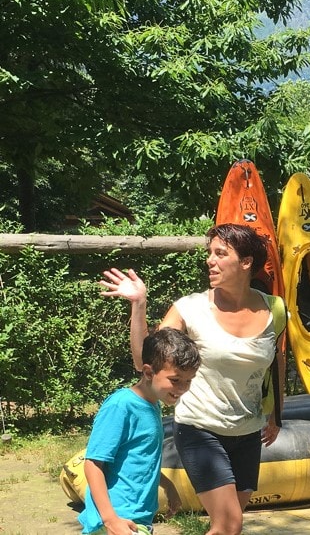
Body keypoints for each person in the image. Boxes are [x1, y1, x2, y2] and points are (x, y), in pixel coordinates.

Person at [99, 223, 286, 535]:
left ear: (246, 262)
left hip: (248, 431)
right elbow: (143, 361)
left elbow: (277, 361)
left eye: (220, 253)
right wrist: (139, 304)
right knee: (230, 524)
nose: (209, 260)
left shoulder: (275, 309)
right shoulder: (191, 308)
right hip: (199, 427)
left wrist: (277, 413)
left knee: (227, 526)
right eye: (209, 253)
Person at [79, 328, 201, 535]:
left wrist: (167, 485)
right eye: (175, 379)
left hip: (138, 516)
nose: (182, 388)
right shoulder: (121, 405)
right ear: (148, 372)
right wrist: (111, 520)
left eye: (189, 380)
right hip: (119, 518)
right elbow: (93, 463)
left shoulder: (153, 404)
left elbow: (139, 458)